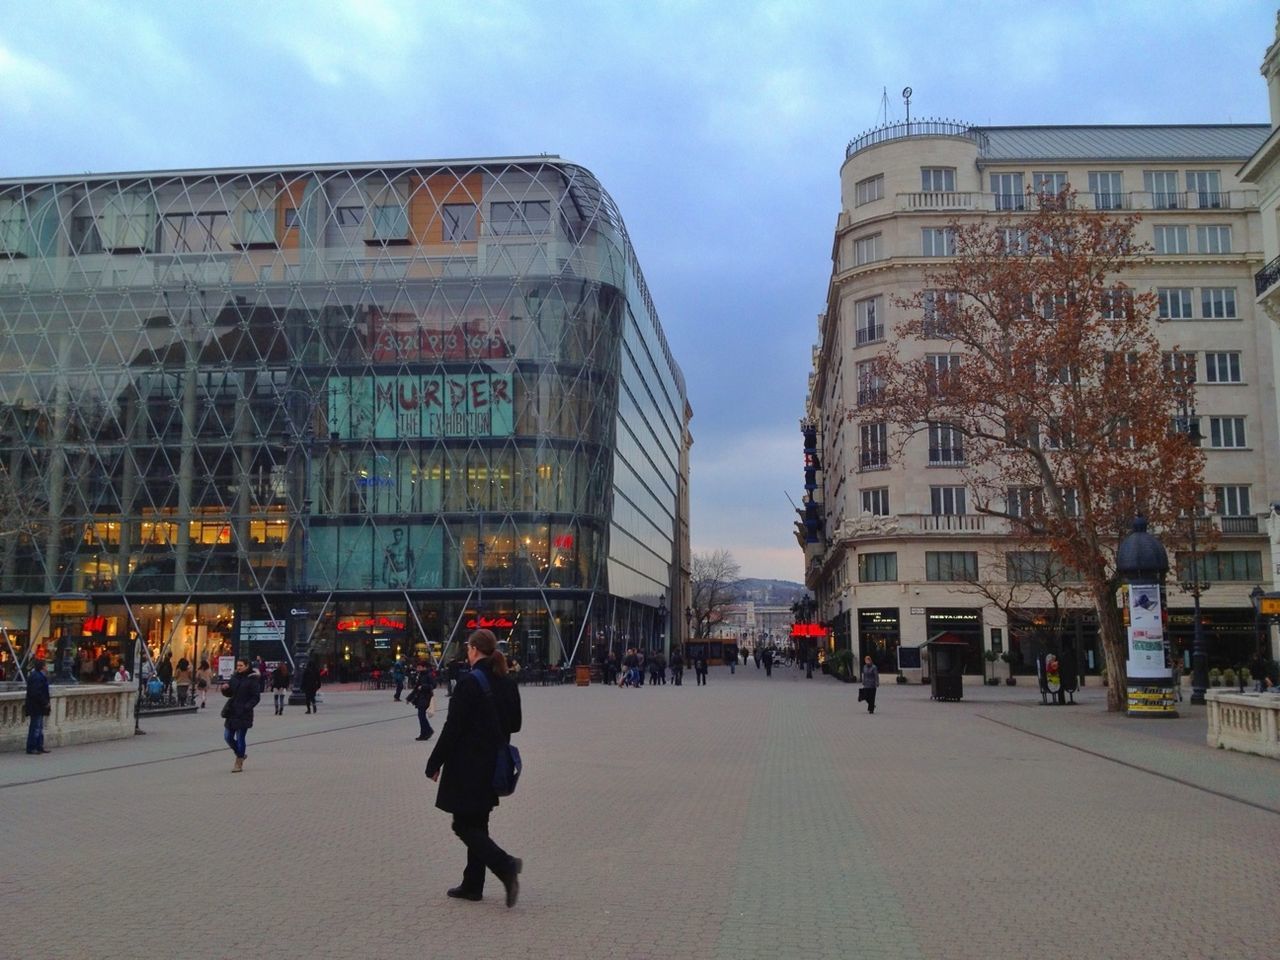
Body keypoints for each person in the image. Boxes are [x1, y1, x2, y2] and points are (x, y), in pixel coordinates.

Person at [426, 629, 523, 907]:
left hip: (467, 765)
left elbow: (452, 728)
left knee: (463, 824)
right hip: (494, 764)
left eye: (468, 648)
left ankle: (506, 866)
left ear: (473, 650)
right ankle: (472, 884)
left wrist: (434, 763)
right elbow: (515, 725)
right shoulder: (507, 682)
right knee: (478, 822)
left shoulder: (469, 683)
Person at [220, 659, 260, 772]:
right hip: (232, 712)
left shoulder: (252, 680)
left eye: (241, 665)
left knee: (240, 737)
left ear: (247, 666)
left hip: (243, 713)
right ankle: (240, 753)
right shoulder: (234, 678)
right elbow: (230, 694)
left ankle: (239, 761)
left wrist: (247, 707)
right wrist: (225, 690)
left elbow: (256, 697)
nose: (239, 667)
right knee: (227, 736)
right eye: (237, 665)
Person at [24, 658, 52, 755]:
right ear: (43, 667)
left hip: (37, 706)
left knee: (39, 727)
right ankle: (32, 747)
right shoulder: (37, 677)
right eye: (46, 665)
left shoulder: (38, 675)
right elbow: (36, 693)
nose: (47, 667)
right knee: (36, 727)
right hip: (37, 706)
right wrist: (45, 702)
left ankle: (39, 746)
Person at [409, 664, 436, 741]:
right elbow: (416, 688)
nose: (418, 669)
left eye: (419, 667)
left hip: (426, 697)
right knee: (421, 716)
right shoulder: (420, 675)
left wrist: (423, 686)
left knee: (421, 716)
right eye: (417, 667)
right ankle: (425, 732)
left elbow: (433, 685)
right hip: (420, 698)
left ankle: (426, 732)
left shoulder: (428, 675)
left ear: (424, 667)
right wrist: (409, 698)